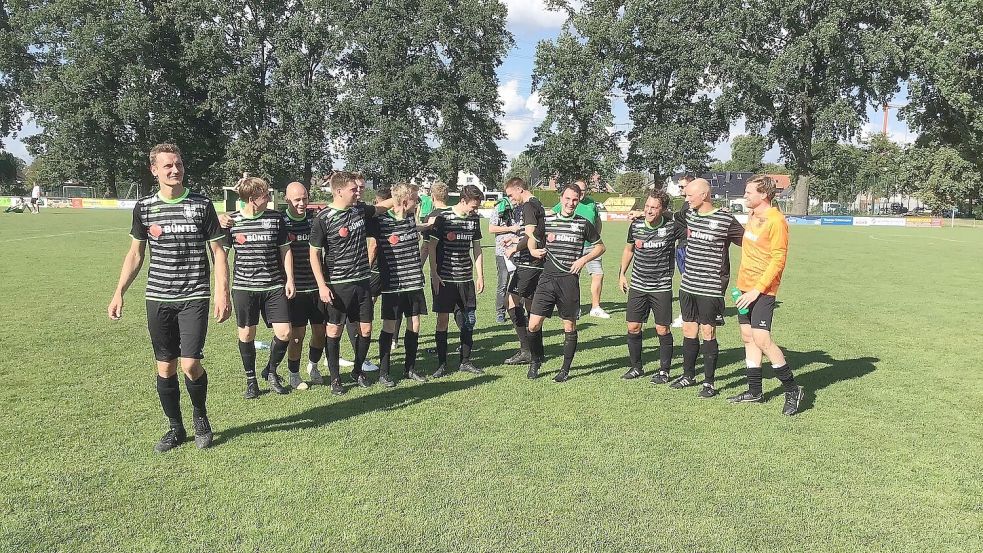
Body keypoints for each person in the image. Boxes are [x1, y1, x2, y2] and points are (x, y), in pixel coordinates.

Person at [108, 143, 231, 452]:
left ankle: (200, 417)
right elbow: (135, 254)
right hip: (158, 296)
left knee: (190, 364)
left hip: (194, 295)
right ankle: (175, 429)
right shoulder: (144, 207)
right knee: (165, 367)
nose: (175, 170)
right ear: (155, 171)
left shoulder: (202, 205)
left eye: (178, 164)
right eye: (168, 166)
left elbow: (218, 252)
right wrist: (119, 291)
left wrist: (222, 293)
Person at [309, 171, 393, 395]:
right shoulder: (323, 218)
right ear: (338, 191)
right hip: (338, 284)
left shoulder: (359, 210)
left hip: (362, 282)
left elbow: (381, 208)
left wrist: (401, 195)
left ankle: (357, 370)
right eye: (353, 189)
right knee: (334, 331)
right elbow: (314, 255)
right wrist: (322, 285)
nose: (358, 192)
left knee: (365, 329)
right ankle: (335, 379)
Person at [728, 175, 803, 415]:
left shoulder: (776, 220)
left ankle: (792, 389)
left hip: (762, 290)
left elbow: (778, 260)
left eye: (749, 192)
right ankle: (754, 391)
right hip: (743, 287)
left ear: (764, 195)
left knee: (762, 339)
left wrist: (757, 290)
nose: (745, 195)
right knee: (748, 337)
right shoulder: (752, 215)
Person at [670, 178, 744, 398]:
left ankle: (709, 383)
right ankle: (688, 375)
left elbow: (747, 241)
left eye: (690, 195)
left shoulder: (725, 219)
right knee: (688, 330)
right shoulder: (689, 214)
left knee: (707, 331)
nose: (686, 199)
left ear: (704, 195)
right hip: (688, 285)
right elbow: (668, 217)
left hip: (710, 287)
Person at [526, 183, 605, 382]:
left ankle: (565, 370)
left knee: (569, 326)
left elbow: (600, 247)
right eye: (568, 199)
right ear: (561, 198)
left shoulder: (583, 223)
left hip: (569, 281)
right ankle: (536, 360)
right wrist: (533, 251)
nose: (571, 203)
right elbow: (532, 239)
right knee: (533, 325)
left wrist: (583, 260)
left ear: (579, 201)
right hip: (547, 279)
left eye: (575, 200)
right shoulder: (548, 220)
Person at [225, 177, 296, 399]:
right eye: (265, 195)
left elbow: (286, 250)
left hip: (273, 285)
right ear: (252, 199)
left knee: (284, 333)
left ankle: (271, 371)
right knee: (246, 334)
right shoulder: (232, 222)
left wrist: (290, 279)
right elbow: (221, 256)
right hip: (244, 287)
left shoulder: (276, 219)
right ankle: (251, 380)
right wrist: (223, 288)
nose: (269, 199)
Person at [368, 182, 431, 386]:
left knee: (414, 325)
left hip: (413, 282)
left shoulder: (412, 220)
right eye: (414, 198)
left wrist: (431, 225)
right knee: (389, 326)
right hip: (393, 284)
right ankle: (384, 373)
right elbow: (366, 215)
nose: (418, 202)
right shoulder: (381, 222)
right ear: (404, 201)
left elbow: (420, 229)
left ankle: (410, 369)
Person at [619, 189, 684, 382]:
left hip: (661, 287)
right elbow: (628, 249)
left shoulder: (672, 227)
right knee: (633, 327)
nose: (648, 210)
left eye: (654, 207)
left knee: (662, 329)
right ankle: (636, 367)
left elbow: (690, 229)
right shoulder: (636, 225)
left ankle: (664, 371)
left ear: (663, 209)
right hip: (638, 285)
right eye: (647, 206)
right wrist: (622, 273)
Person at [428, 184, 485, 377]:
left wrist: (480, 275)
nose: (475, 210)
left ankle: (465, 361)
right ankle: (442, 364)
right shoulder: (443, 218)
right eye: (473, 206)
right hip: (445, 279)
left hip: (466, 279)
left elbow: (477, 249)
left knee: (468, 321)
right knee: (442, 321)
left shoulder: (474, 220)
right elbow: (432, 247)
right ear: (463, 200)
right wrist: (434, 274)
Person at [281, 181, 325, 390]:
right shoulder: (280, 222)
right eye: (297, 199)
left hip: (317, 287)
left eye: (305, 198)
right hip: (295, 289)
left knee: (320, 332)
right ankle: (293, 374)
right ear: (286, 199)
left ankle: (314, 366)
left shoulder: (315, 221)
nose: (301, 203)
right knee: (297, 336)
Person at [337, 173, 381, 372]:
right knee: (339, 322)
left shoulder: (362, 211)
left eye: (362, 188)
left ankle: (358, 359)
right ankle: (345, 358)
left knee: (359, 320)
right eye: (357, 188)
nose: (360, 191)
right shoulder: (334, 213)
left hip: (360, 275)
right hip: (341, 278)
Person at [501, 177, 546, 366]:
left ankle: (526, 350)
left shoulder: (528, 205)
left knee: (510, 301)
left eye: (511, 195)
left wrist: (515, 248)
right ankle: (538, 350)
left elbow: (530, 236)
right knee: (530, 305)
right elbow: (534, 234)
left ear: (519, 189)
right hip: (536, 263)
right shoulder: (537, 203)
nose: (511, 200)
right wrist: (514, 241)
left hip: (529, 263)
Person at [553, 178, 609, 318]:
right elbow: (552, 215)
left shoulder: (591, 203)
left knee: (598, 274)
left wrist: (596, 237)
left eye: (583, 190)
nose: (581, 193)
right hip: (573, 246)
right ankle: (574, 307)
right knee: (572, 278)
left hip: (591, 247)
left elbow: (598, 221)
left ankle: (595, 307)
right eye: (579, 190)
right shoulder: (566, 202)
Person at [488, 196, 521, 323]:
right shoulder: (499, 207)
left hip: (518, 250)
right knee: (503, 283)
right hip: (502, 252)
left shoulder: (522, 208)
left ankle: (517, 309)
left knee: (519, 283)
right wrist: (510, 229)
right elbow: (491, 228)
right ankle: (500, 312)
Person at [671, 174, 696, 327]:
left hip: (687, 247)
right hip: (681, 246)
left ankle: (686, 315)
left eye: (682, 186)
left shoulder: (691, 205)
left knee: (687, 282)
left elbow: (679, 219)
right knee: (686, 280)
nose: (680, 189)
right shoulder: (686, 203)